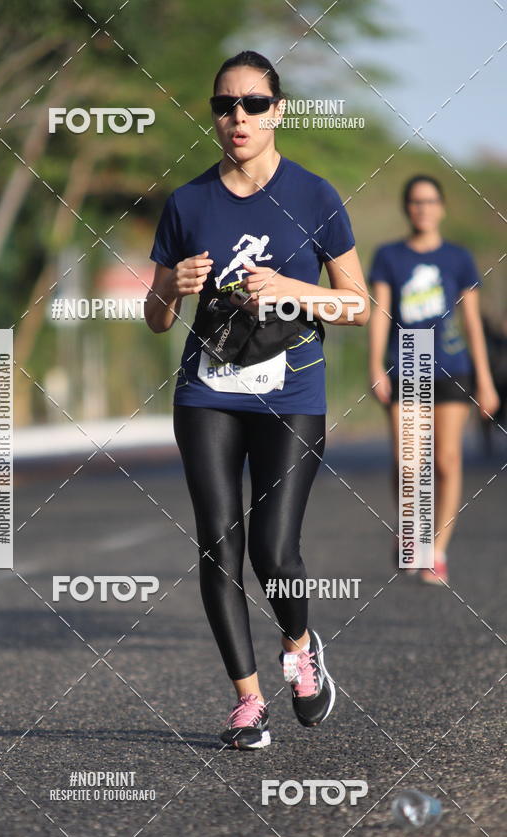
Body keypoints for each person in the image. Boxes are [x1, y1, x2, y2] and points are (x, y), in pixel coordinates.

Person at [145, 50, 369, 750]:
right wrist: (170, 288)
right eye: (223, 105)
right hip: (207, 390)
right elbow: (155, 317)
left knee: (275, 551)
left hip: (292, 389)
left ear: (277, 112)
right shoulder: (187, 203)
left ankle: (299, 648)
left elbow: (358, 306)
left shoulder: (315, 196)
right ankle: (248, 702)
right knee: (219, 547)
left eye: (251, 104)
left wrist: (293, 290)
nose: (236, 117)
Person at [368, 174, 499, 585]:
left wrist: (486, 380)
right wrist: (374, 365)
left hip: (453, 365)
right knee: (409, 465)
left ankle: (436, 550)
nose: (423, 208)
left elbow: (472, 323)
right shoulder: (389, 256)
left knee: (445, 460)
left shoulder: (458, 258)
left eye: (430, 202)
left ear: (441, 208)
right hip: (407, 362)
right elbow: (381, 313)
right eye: (415, 202)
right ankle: (412, 528)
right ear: (407, 208)